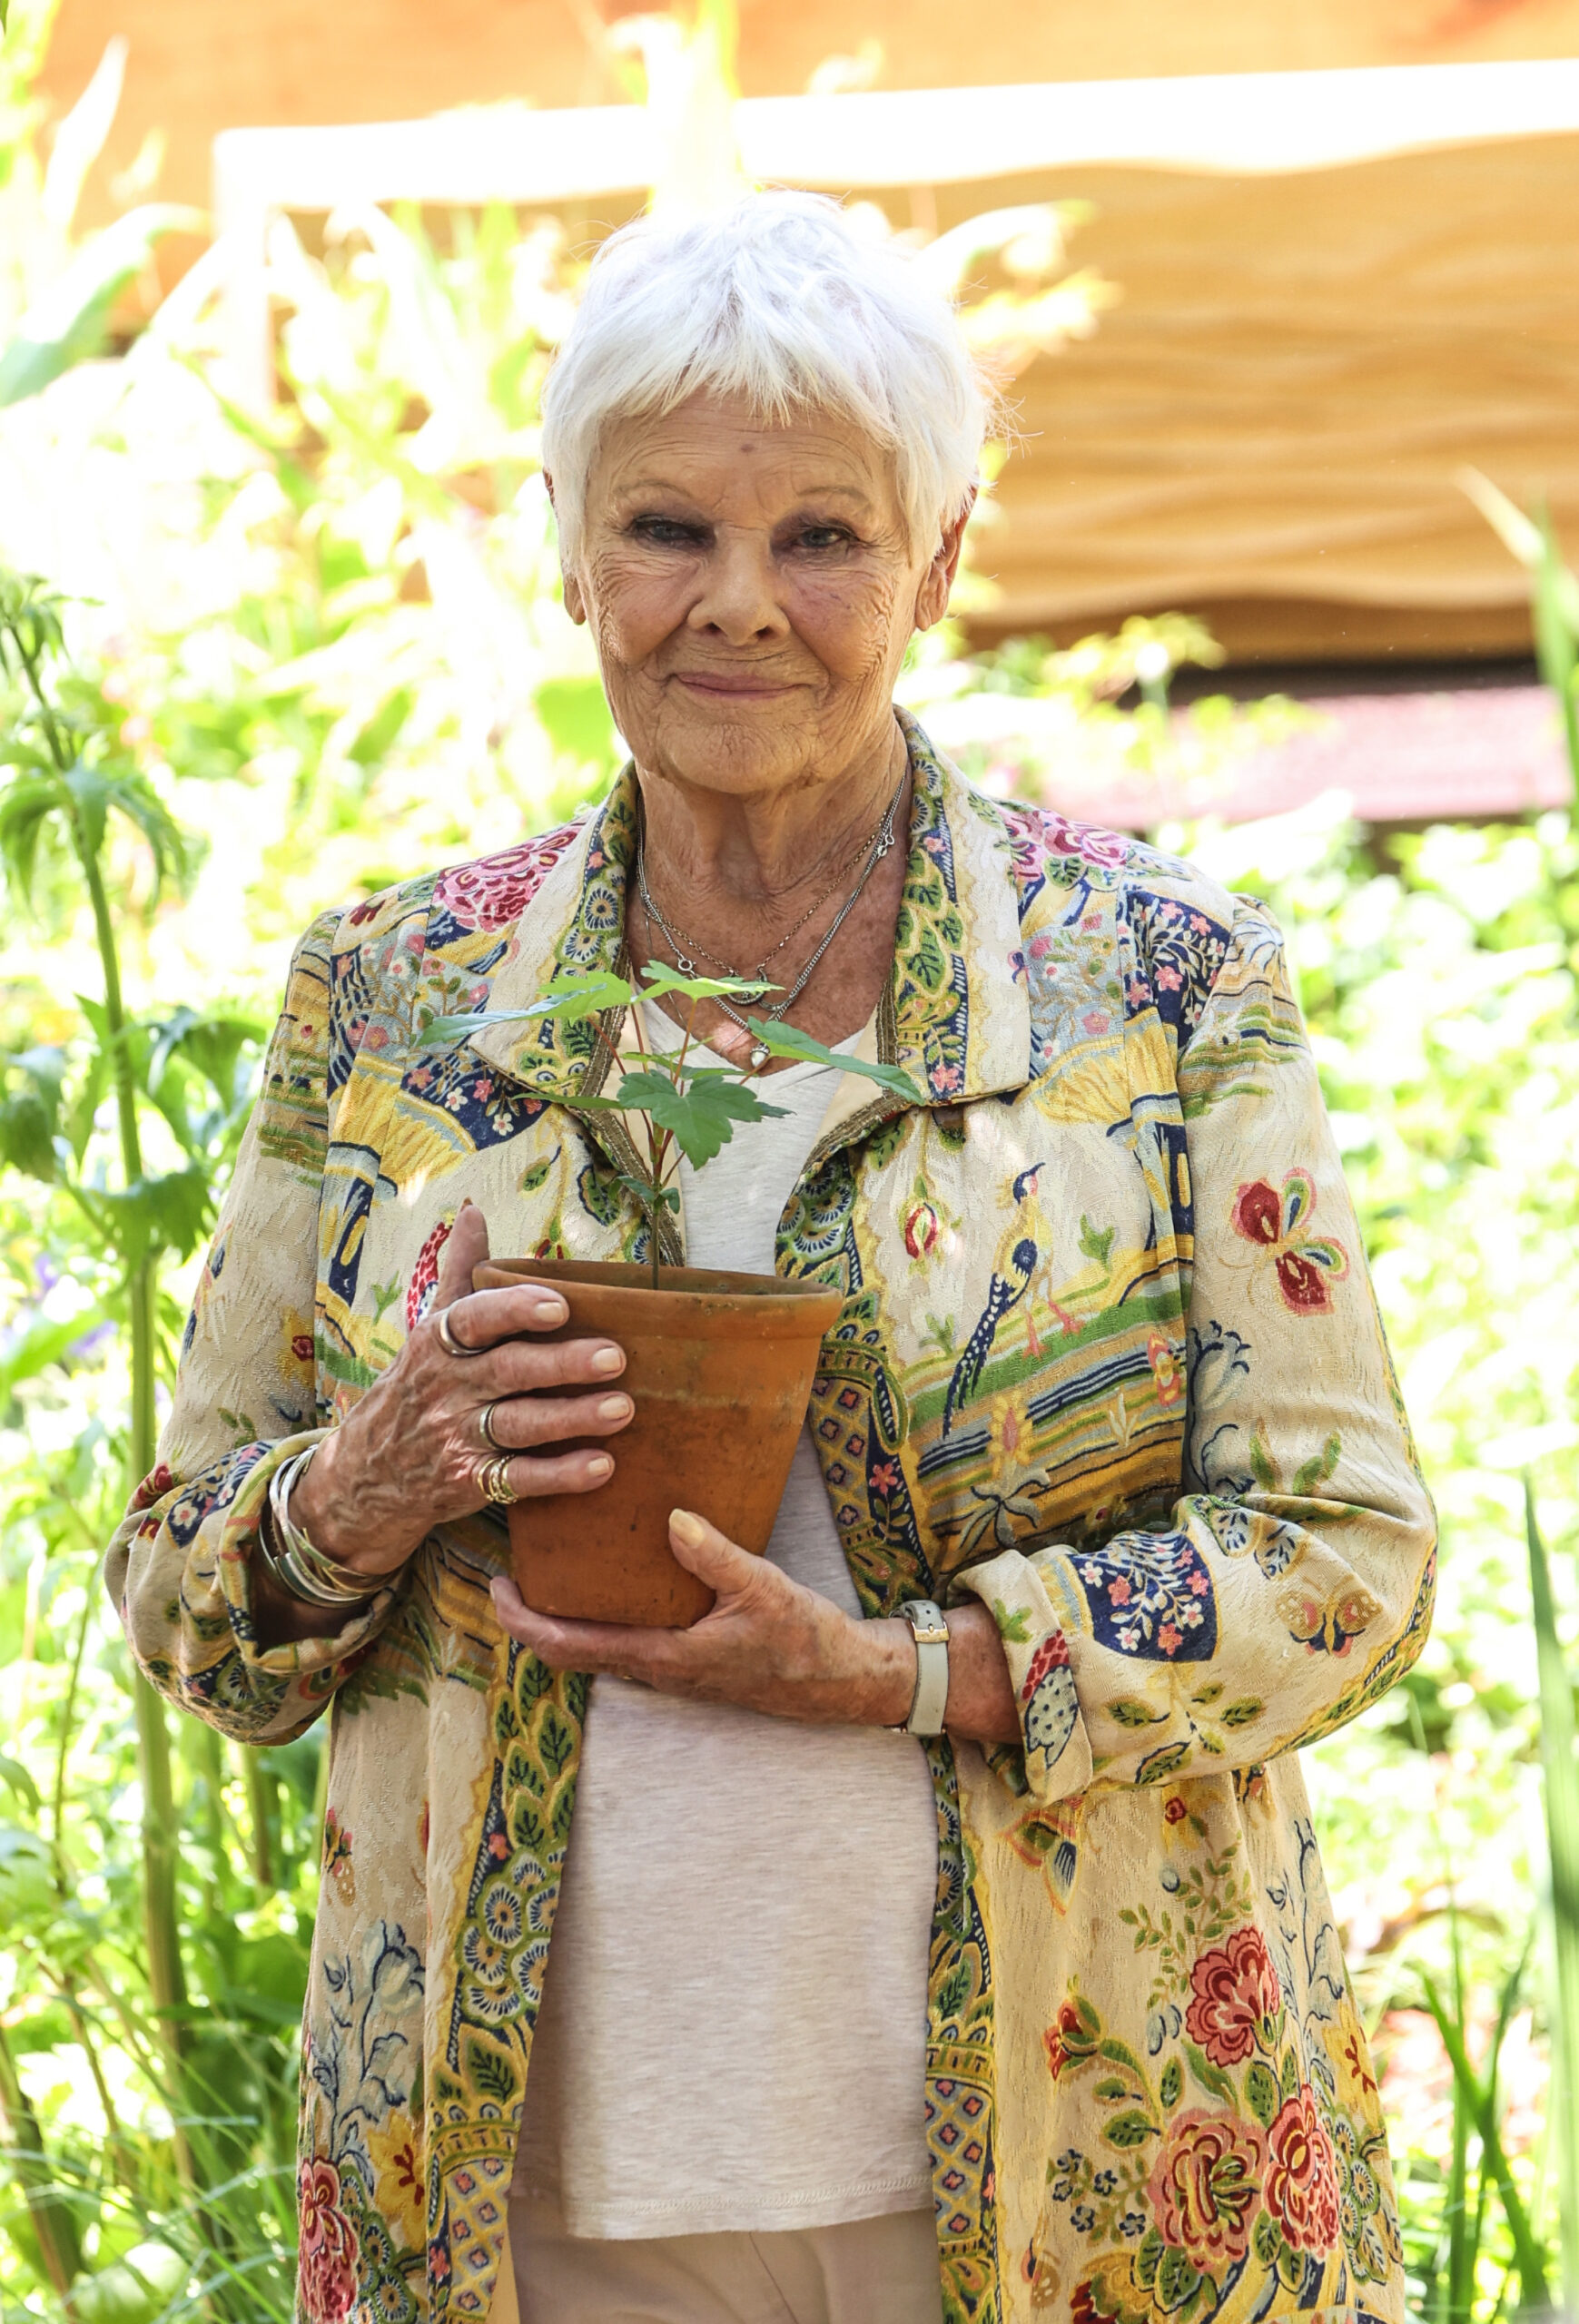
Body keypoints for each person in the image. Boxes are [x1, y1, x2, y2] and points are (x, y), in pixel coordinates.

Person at [107, 192, 1436, 2324]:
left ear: (938, 556)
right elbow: (189, 1603)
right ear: (567, 550)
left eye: (821, 534)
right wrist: (371, 1477)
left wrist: (915, 1670)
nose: (736, 606)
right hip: (519, 2200)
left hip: (1061, 2163)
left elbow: (1347, 1550)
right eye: (664, 530)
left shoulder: (1152, 987)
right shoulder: (390, 1002)